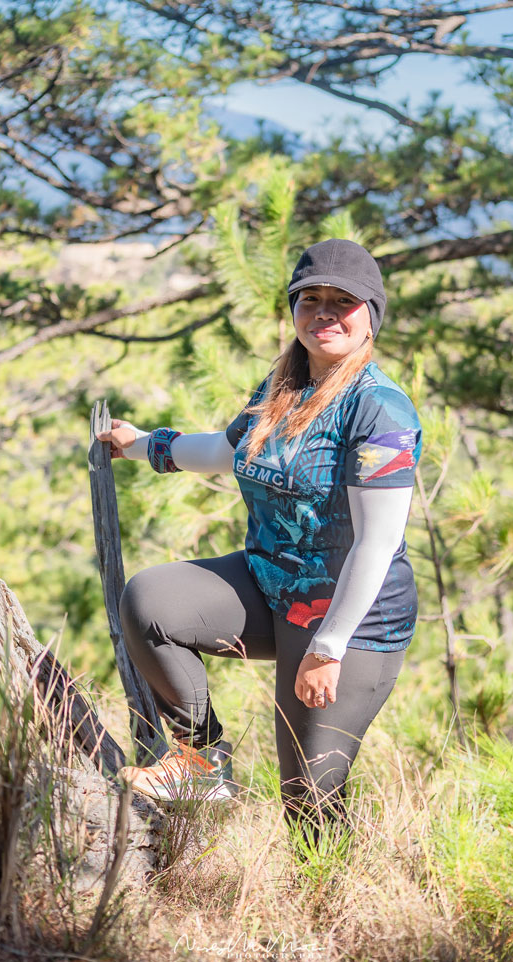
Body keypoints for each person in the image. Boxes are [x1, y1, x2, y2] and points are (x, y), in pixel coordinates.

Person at [96, 238, 422, 844]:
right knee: (152, 602)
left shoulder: (382, 411)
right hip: (272, 587)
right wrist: (145, 444)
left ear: (370, 315)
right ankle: (203, 762)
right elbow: (226, 450)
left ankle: (333, 912)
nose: (324, 313)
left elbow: (376, 544)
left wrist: (328, 646)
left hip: (353, 621)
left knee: (308, 797)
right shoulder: (282, 388)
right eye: (311, 299)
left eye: (342, 302)